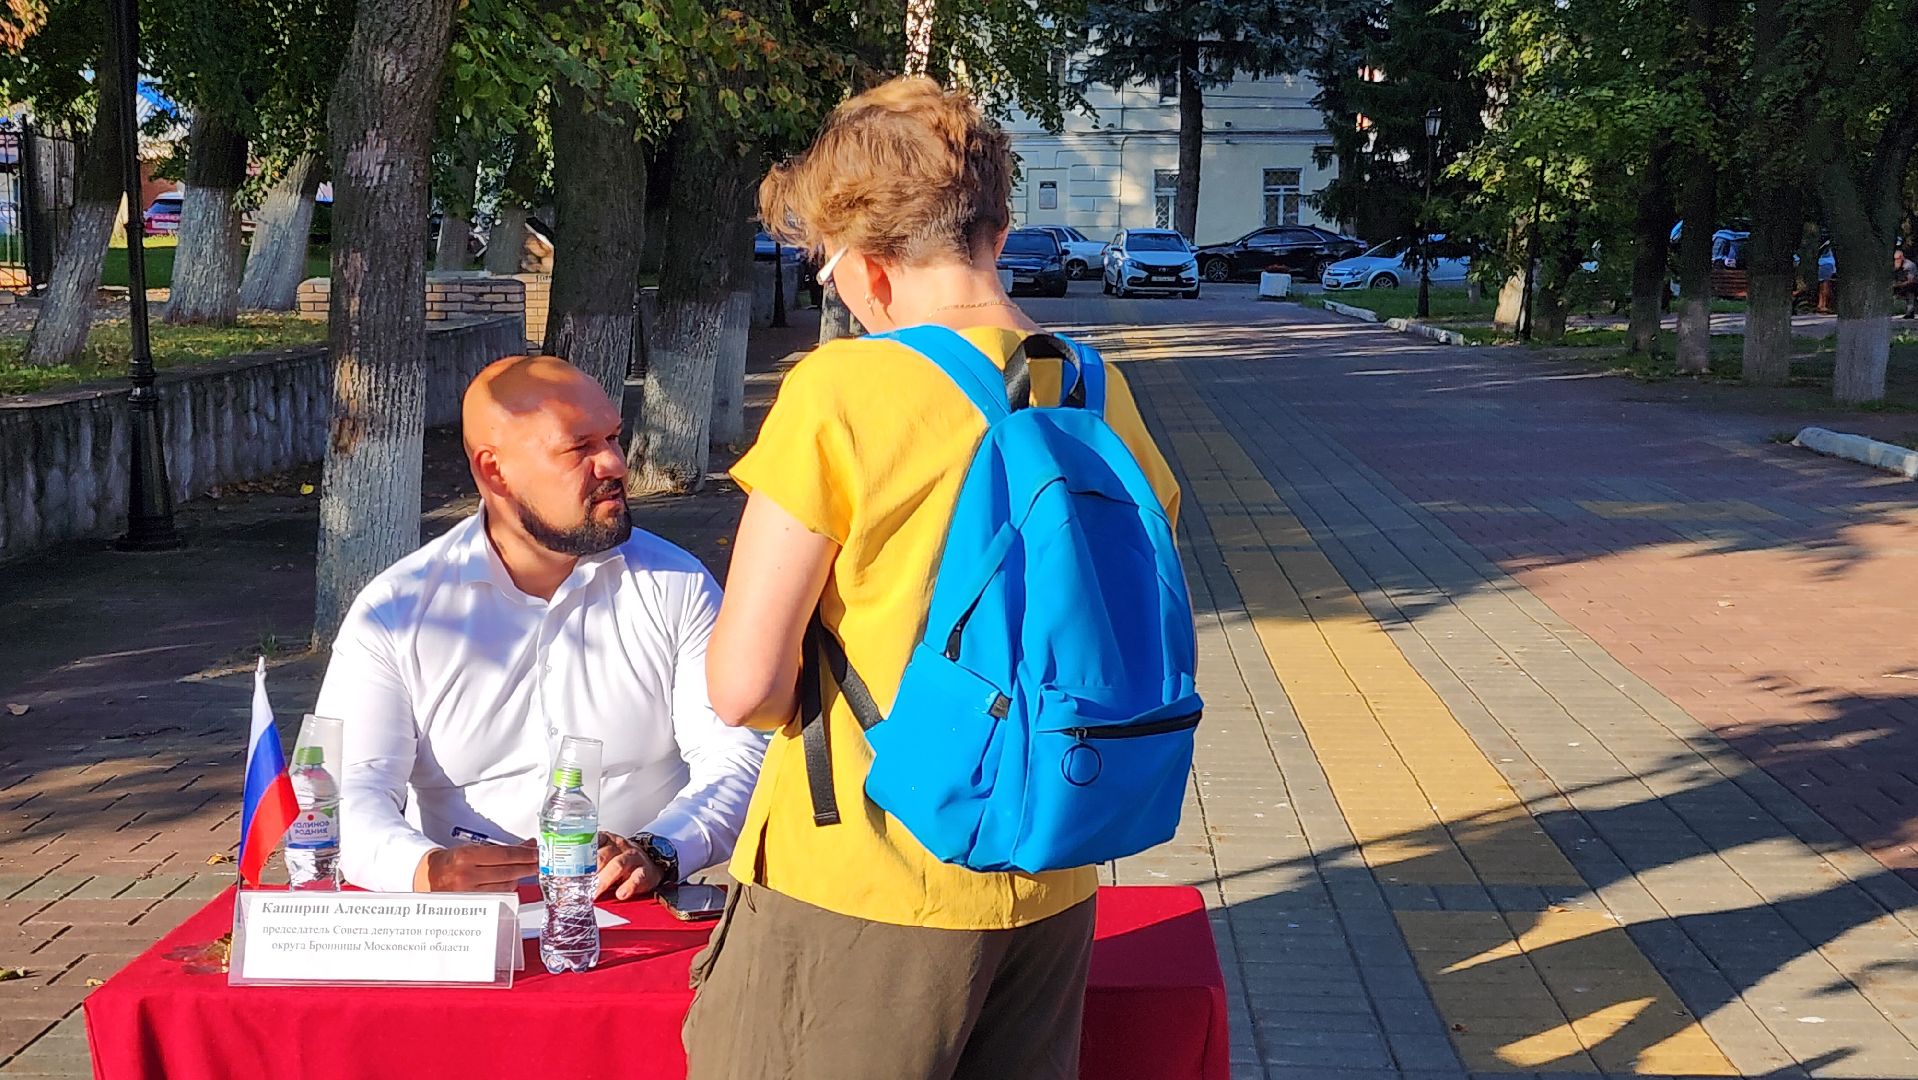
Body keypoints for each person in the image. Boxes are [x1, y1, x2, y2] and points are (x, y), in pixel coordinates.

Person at [684, 78, 1180, 1080]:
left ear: (868, 268)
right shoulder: (1092, 387)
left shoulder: (842, 389)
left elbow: (744, 687)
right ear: (996, 230)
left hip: (864, 872)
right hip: (1049, 861)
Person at [316, 355, 765, 896]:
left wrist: (661, 848)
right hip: (468, 921)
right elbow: (349, 786)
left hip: (642, 909)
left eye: (614, 438)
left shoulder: (675, 583)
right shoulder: (398, 611)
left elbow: (737, 753)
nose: (615, 464)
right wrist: (423, 869)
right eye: (580, 448)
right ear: (494, 471)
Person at [1894, 248, 1917, 319]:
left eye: (1898, 258)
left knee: (1910, 288)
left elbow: (1911, 281)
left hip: (1914, 284)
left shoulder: (1909, 265)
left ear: (1902, 257)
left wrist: (1896, 285)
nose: (1896, 260)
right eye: (1895, 259)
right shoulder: (1898, 264)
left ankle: (1910, 312)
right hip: (1903, 284)